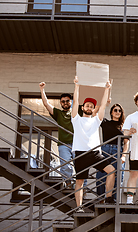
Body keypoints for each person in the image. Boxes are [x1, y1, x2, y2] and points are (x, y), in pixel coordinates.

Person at [71, 76, 116, 211]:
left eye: (91, 106)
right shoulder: (76, 119)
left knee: (111, 170)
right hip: (80, 154)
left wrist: (107, 89)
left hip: (95, 153)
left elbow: (102, 106)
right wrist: (77, 86)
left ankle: (108, 197)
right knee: (80, 181)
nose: (89, 107)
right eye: (87, 105)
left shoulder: (97, 120)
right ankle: (79, 207)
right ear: (83, 107)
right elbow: (75, 100)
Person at [39, 82, 76, 188]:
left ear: (71, 102)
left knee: (79, 165)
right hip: (63, 144)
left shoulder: (75, 112)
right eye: (63, 101)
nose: (65, 103)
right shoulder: (58, 114)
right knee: (65, 166)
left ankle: (81, 187)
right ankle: (68, 184)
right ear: (60, 103)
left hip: (76, 143)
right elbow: (46, 104)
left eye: (67, 101)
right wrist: (42, 89)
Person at [96, 103, 129, 201]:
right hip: (105, 150)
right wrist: (104, 102)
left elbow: (126, 143)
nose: (117, 112)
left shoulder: (124, 127)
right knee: (101, 175)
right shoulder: (105, 122)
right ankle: (101, 198)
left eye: (119, 111)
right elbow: (97, 114)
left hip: (117, 150)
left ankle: (113, 199)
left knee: (117, 177)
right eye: (115, 110)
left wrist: (123, 156)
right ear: (111, 112)